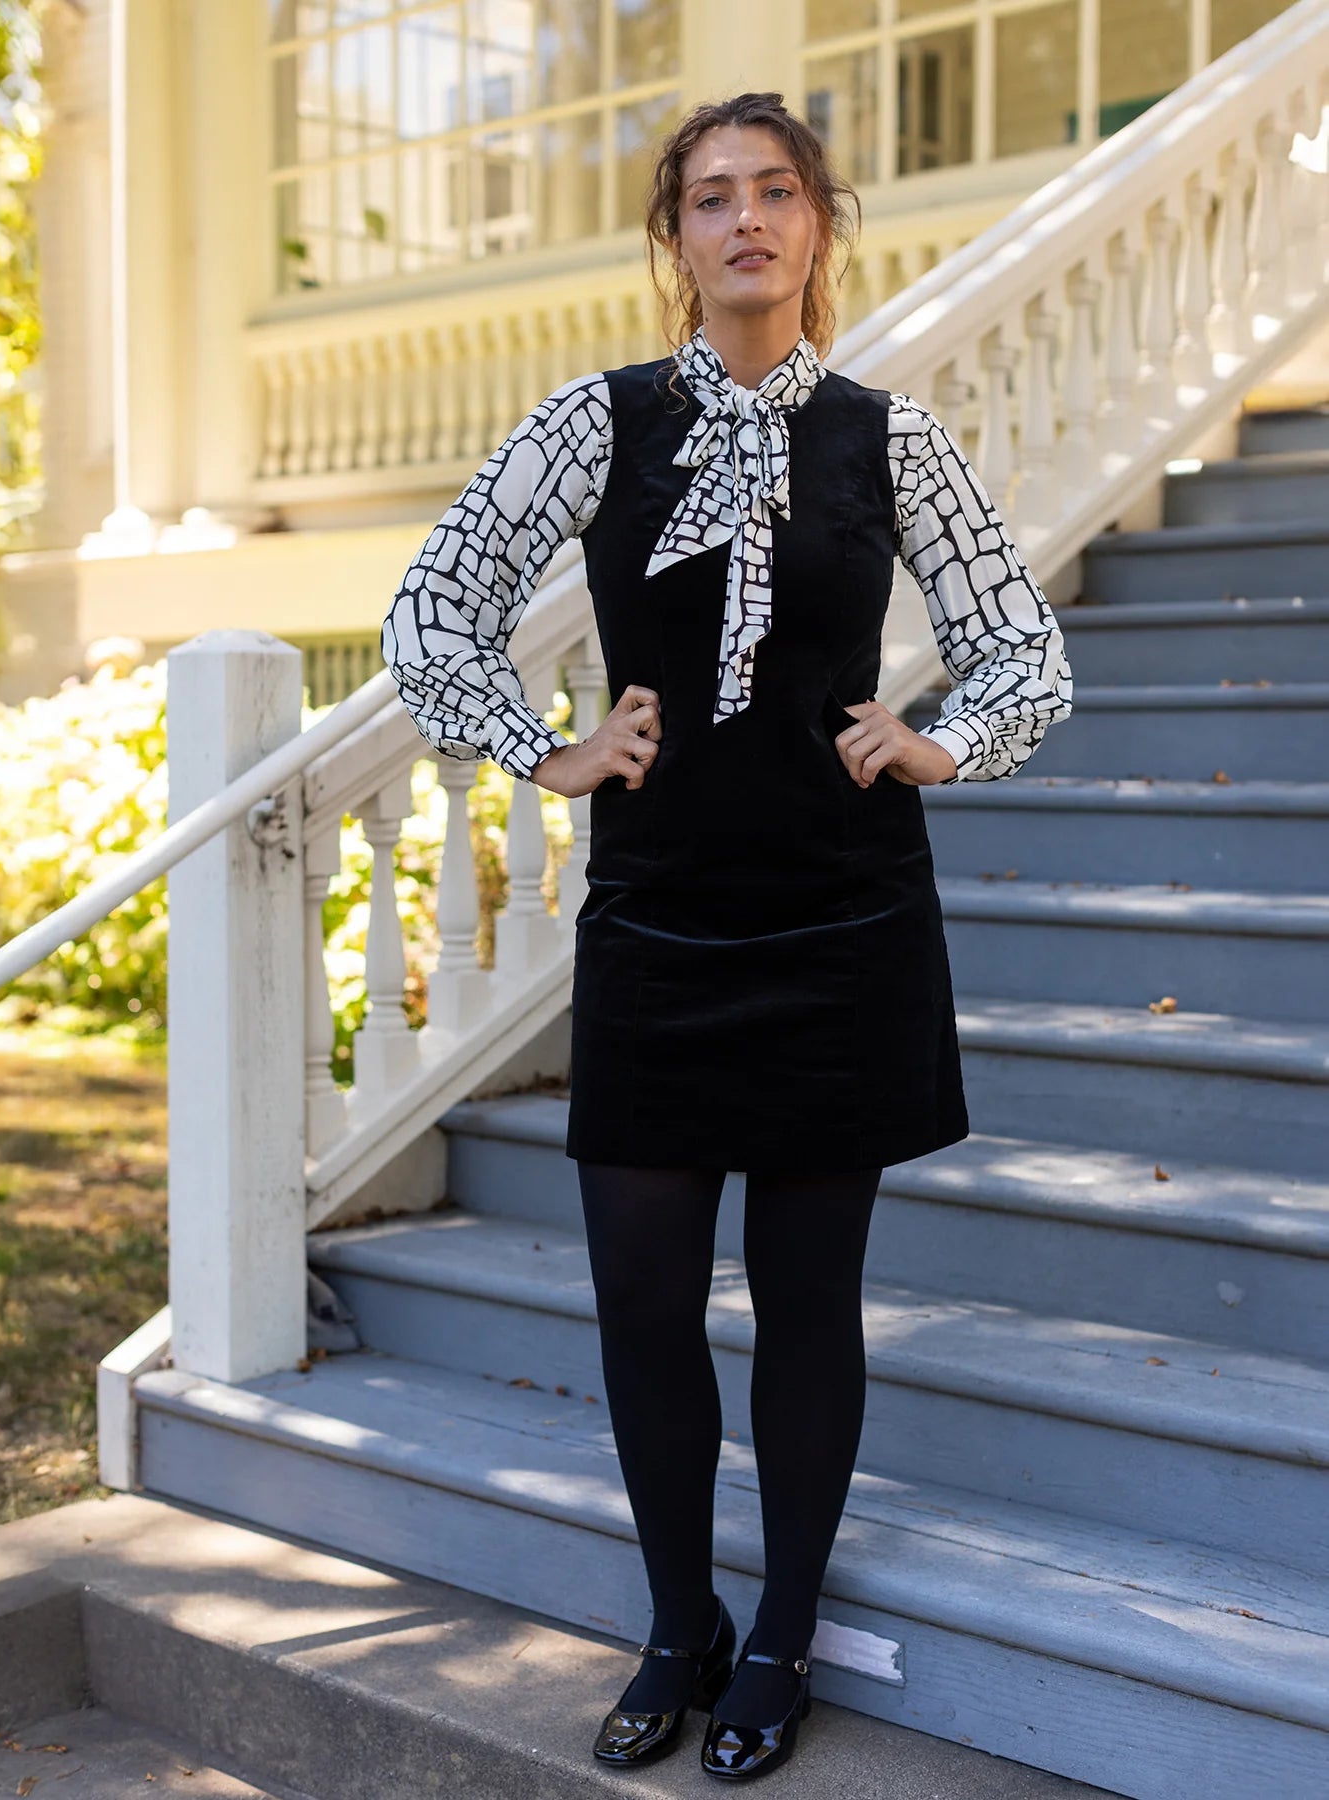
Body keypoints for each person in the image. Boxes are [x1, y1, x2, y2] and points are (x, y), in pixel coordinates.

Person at [382, 90, 1073, 1784]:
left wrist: (936, 740)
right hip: (659, 921)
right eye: (710, 197)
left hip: (844, 921)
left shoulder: (889, 439)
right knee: (639, 1305)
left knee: (810, 1305)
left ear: (818, 225)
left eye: (775, 192)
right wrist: (545, 745)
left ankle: (781, 1636)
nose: (745, 219)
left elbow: (1022, 651)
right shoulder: (592, 421)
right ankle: (678, 1619)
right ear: (673, 237)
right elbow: (429, 609)